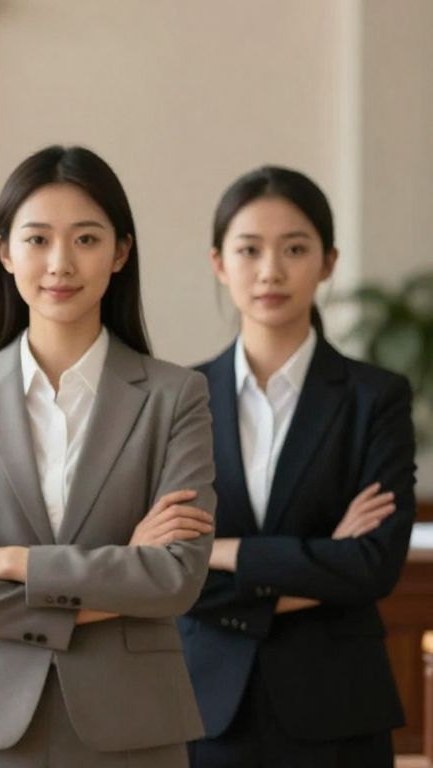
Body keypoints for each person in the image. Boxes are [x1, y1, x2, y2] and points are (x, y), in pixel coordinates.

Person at [0, 145, 214, 767]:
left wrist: (10, 561)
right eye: (38, 239)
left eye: (86, 238)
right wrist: (123, 572)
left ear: (120, 252)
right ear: (5, 251)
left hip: (135, 726)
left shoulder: (176, 396)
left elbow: (177, 578)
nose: (61, 262)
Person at [180, 165, 415, 767]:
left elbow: (372, 566)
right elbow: (167, 571)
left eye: (294, 249)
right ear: (218, 263)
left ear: (328, 262)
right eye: (249, 249)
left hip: (339, 708)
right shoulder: (179, 398)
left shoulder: (375, 398)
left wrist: (224, 551)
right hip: (203, 707)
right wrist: (323, 559)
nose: (270, 271)